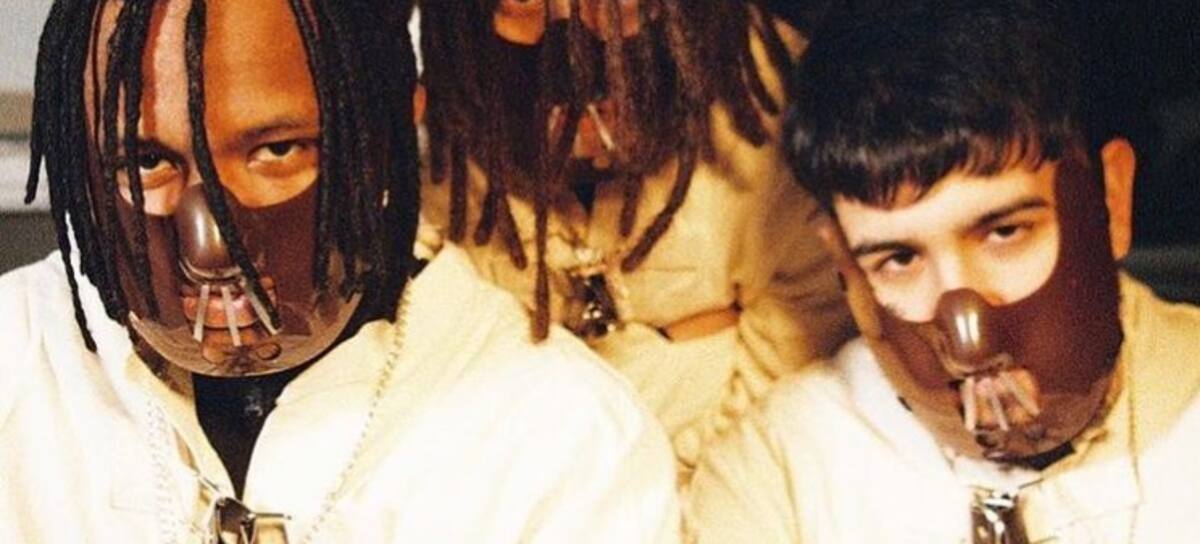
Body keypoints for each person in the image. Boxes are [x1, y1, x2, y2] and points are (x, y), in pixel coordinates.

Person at [0, 0, 679, 541]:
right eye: (145, 162)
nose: (209, 248)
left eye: (277, 151)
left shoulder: (562, 438)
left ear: (388, 134)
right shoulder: (17, 364)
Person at [687, 2, 1200, 542]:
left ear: (1112, 198)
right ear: (843, 264)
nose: (970, 344)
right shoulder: (779, 471)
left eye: (1006, 232)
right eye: (900, 259)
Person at [416, 0, 852, 482]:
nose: (569, 29)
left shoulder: (771, 88)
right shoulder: (454, 101)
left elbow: (806, 319)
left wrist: (687, 472)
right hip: (526, 483)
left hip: (731, 477)